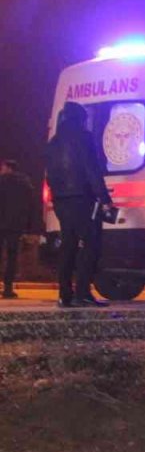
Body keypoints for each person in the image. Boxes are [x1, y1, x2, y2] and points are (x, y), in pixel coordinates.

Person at [45, 102, 113, 308]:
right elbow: (91, 169)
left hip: (61, 201)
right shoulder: (84, 138)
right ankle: (83, 292)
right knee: (91, 244)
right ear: (81, 119)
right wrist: (104, 198)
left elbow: (50, 175)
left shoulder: (54, 142)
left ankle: (65, 294)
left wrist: (57, 196)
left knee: (68, 245)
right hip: (82, 199)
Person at [0, 159, 37, 299]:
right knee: (12, 257)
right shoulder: (25, 184)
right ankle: (8, 289)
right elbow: (31, 206)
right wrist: (29, 227)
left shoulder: (1, 181)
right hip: (15, 226)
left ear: (8, 168)